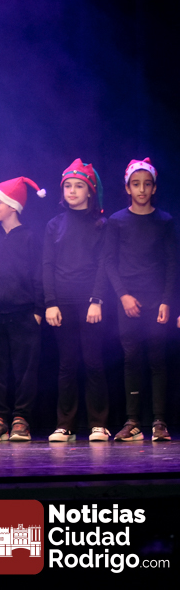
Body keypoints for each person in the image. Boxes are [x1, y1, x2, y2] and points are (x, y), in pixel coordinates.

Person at [104, 158, 177, 441]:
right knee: (131, 359)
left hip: (156, 300)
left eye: (147, 184)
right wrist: (123, 296)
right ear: (128, 188)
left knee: (158, 359)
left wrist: (166, 300)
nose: (142, 189)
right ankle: (132, 421)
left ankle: (159, 421)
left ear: (154, 188)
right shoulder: (117, 221)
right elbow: (109, 262)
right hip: (128, 302)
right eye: (136, 184)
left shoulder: (164, 221)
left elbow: (172, 264)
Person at [43, 159, 111, 442]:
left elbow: (104, 264)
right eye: (68, 186)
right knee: (67, 364)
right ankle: (65, 424)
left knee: (93, 361)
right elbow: (47, 264)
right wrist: (50, 302)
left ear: (90, 190)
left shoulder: (101, 225)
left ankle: (98, 423)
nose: (72, 191)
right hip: (62, 302)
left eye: (78, 186)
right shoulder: (55, 224)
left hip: (90, 302)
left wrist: (96, 299)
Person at [0, 177, 45, 442]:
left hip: (23, 313)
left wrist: (37, 310)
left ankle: (21, 418)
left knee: (25, 369)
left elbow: (38, 274)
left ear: (13, 205)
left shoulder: (29, 237)